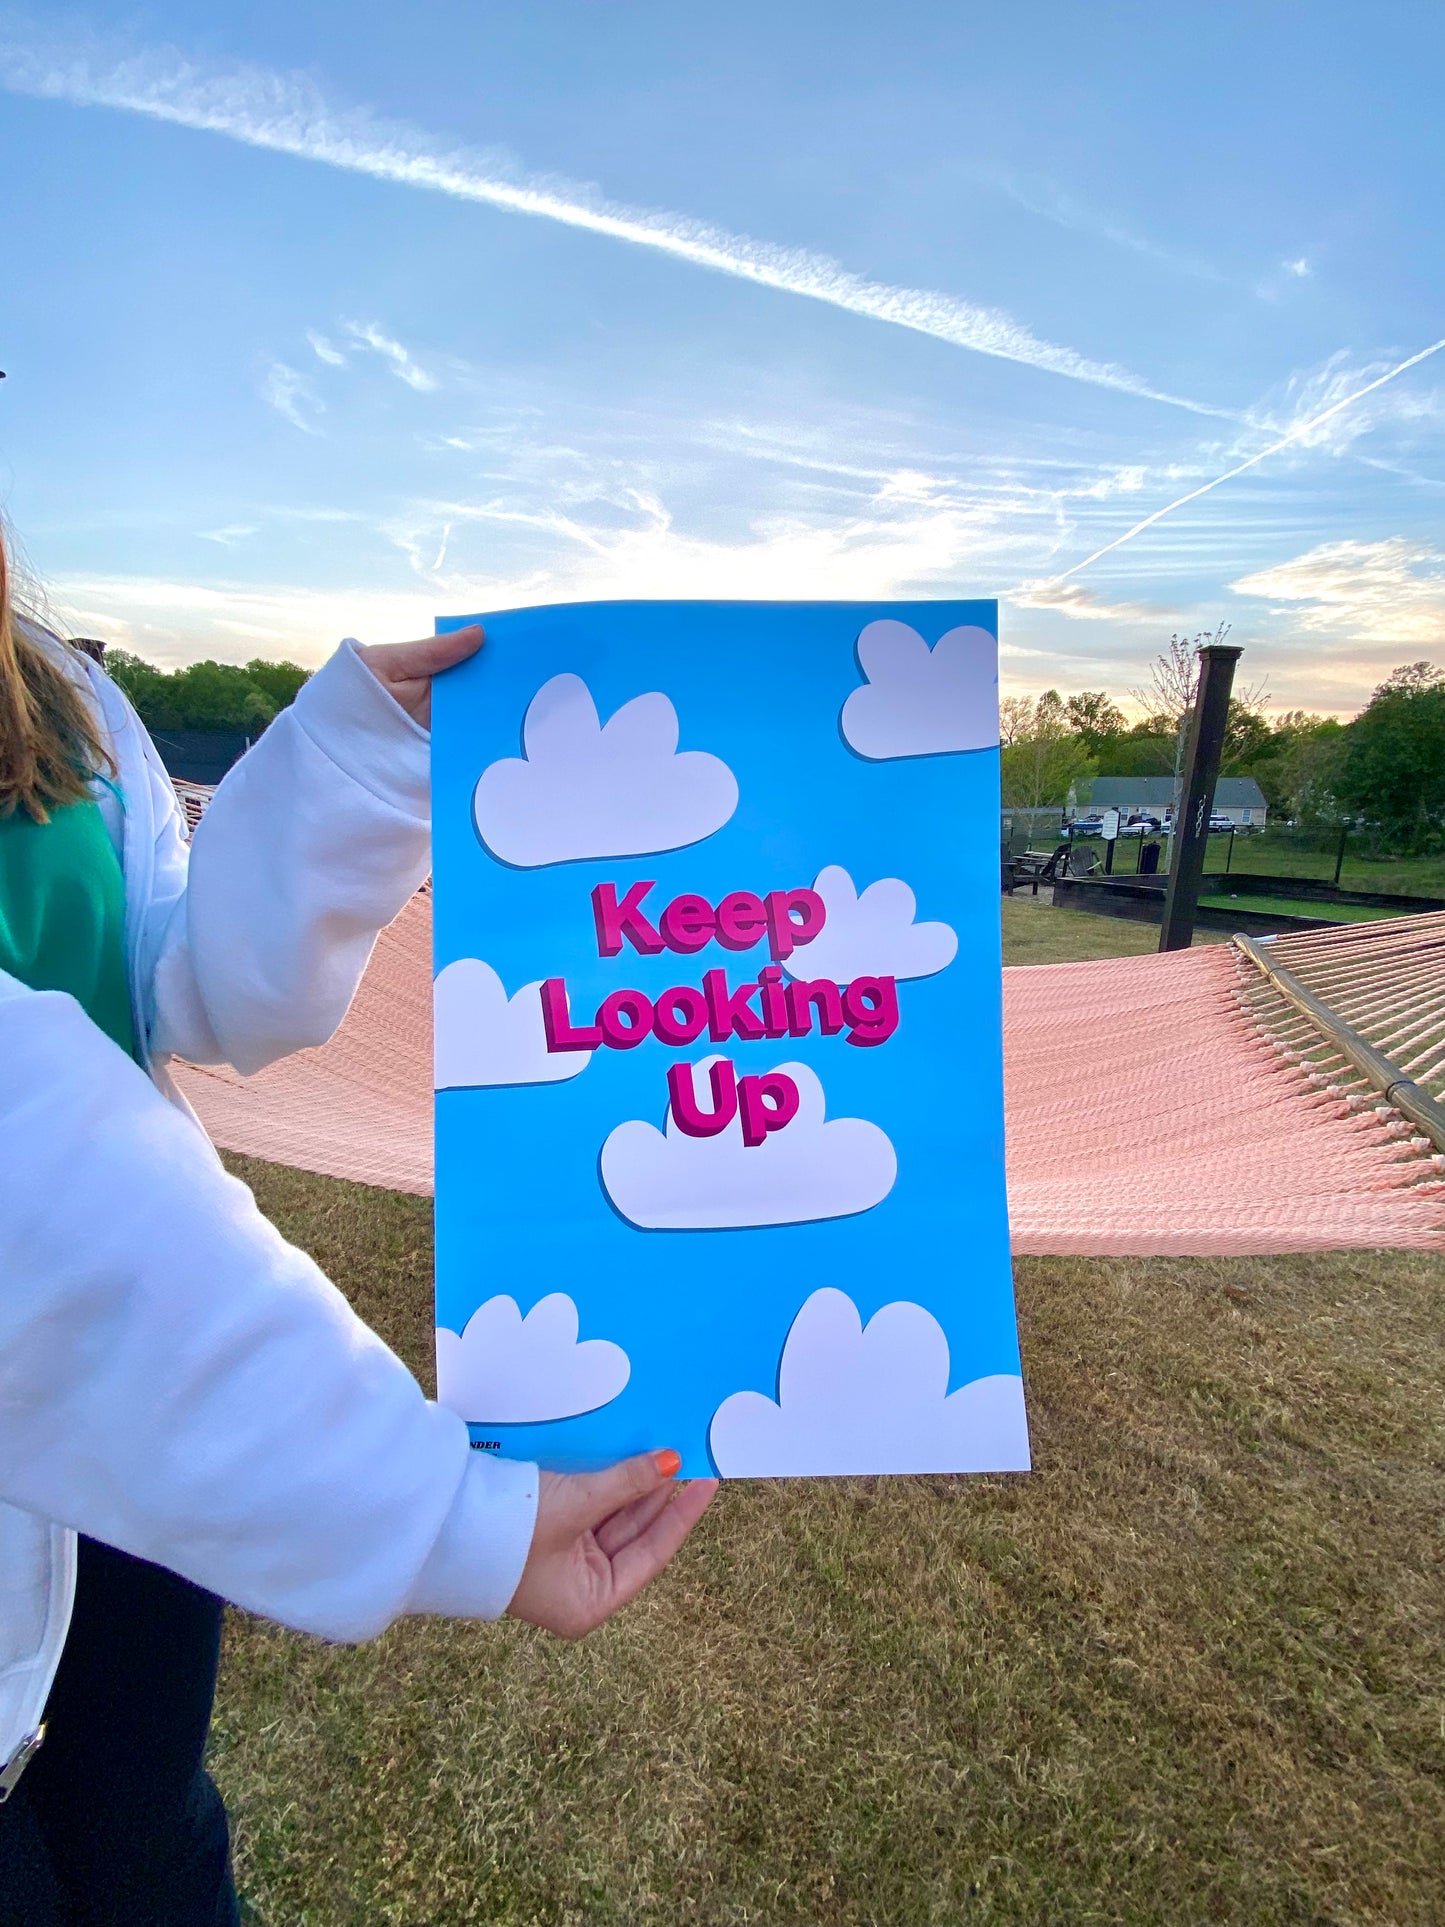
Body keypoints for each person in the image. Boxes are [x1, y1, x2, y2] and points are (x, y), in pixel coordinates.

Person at [0, 525, 717, 1926]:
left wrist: (352, 766)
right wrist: (439, 1510)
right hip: (118, 1345)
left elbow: (193, 992)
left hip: (145, 1439)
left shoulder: (65, 698)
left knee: (150, 1833)